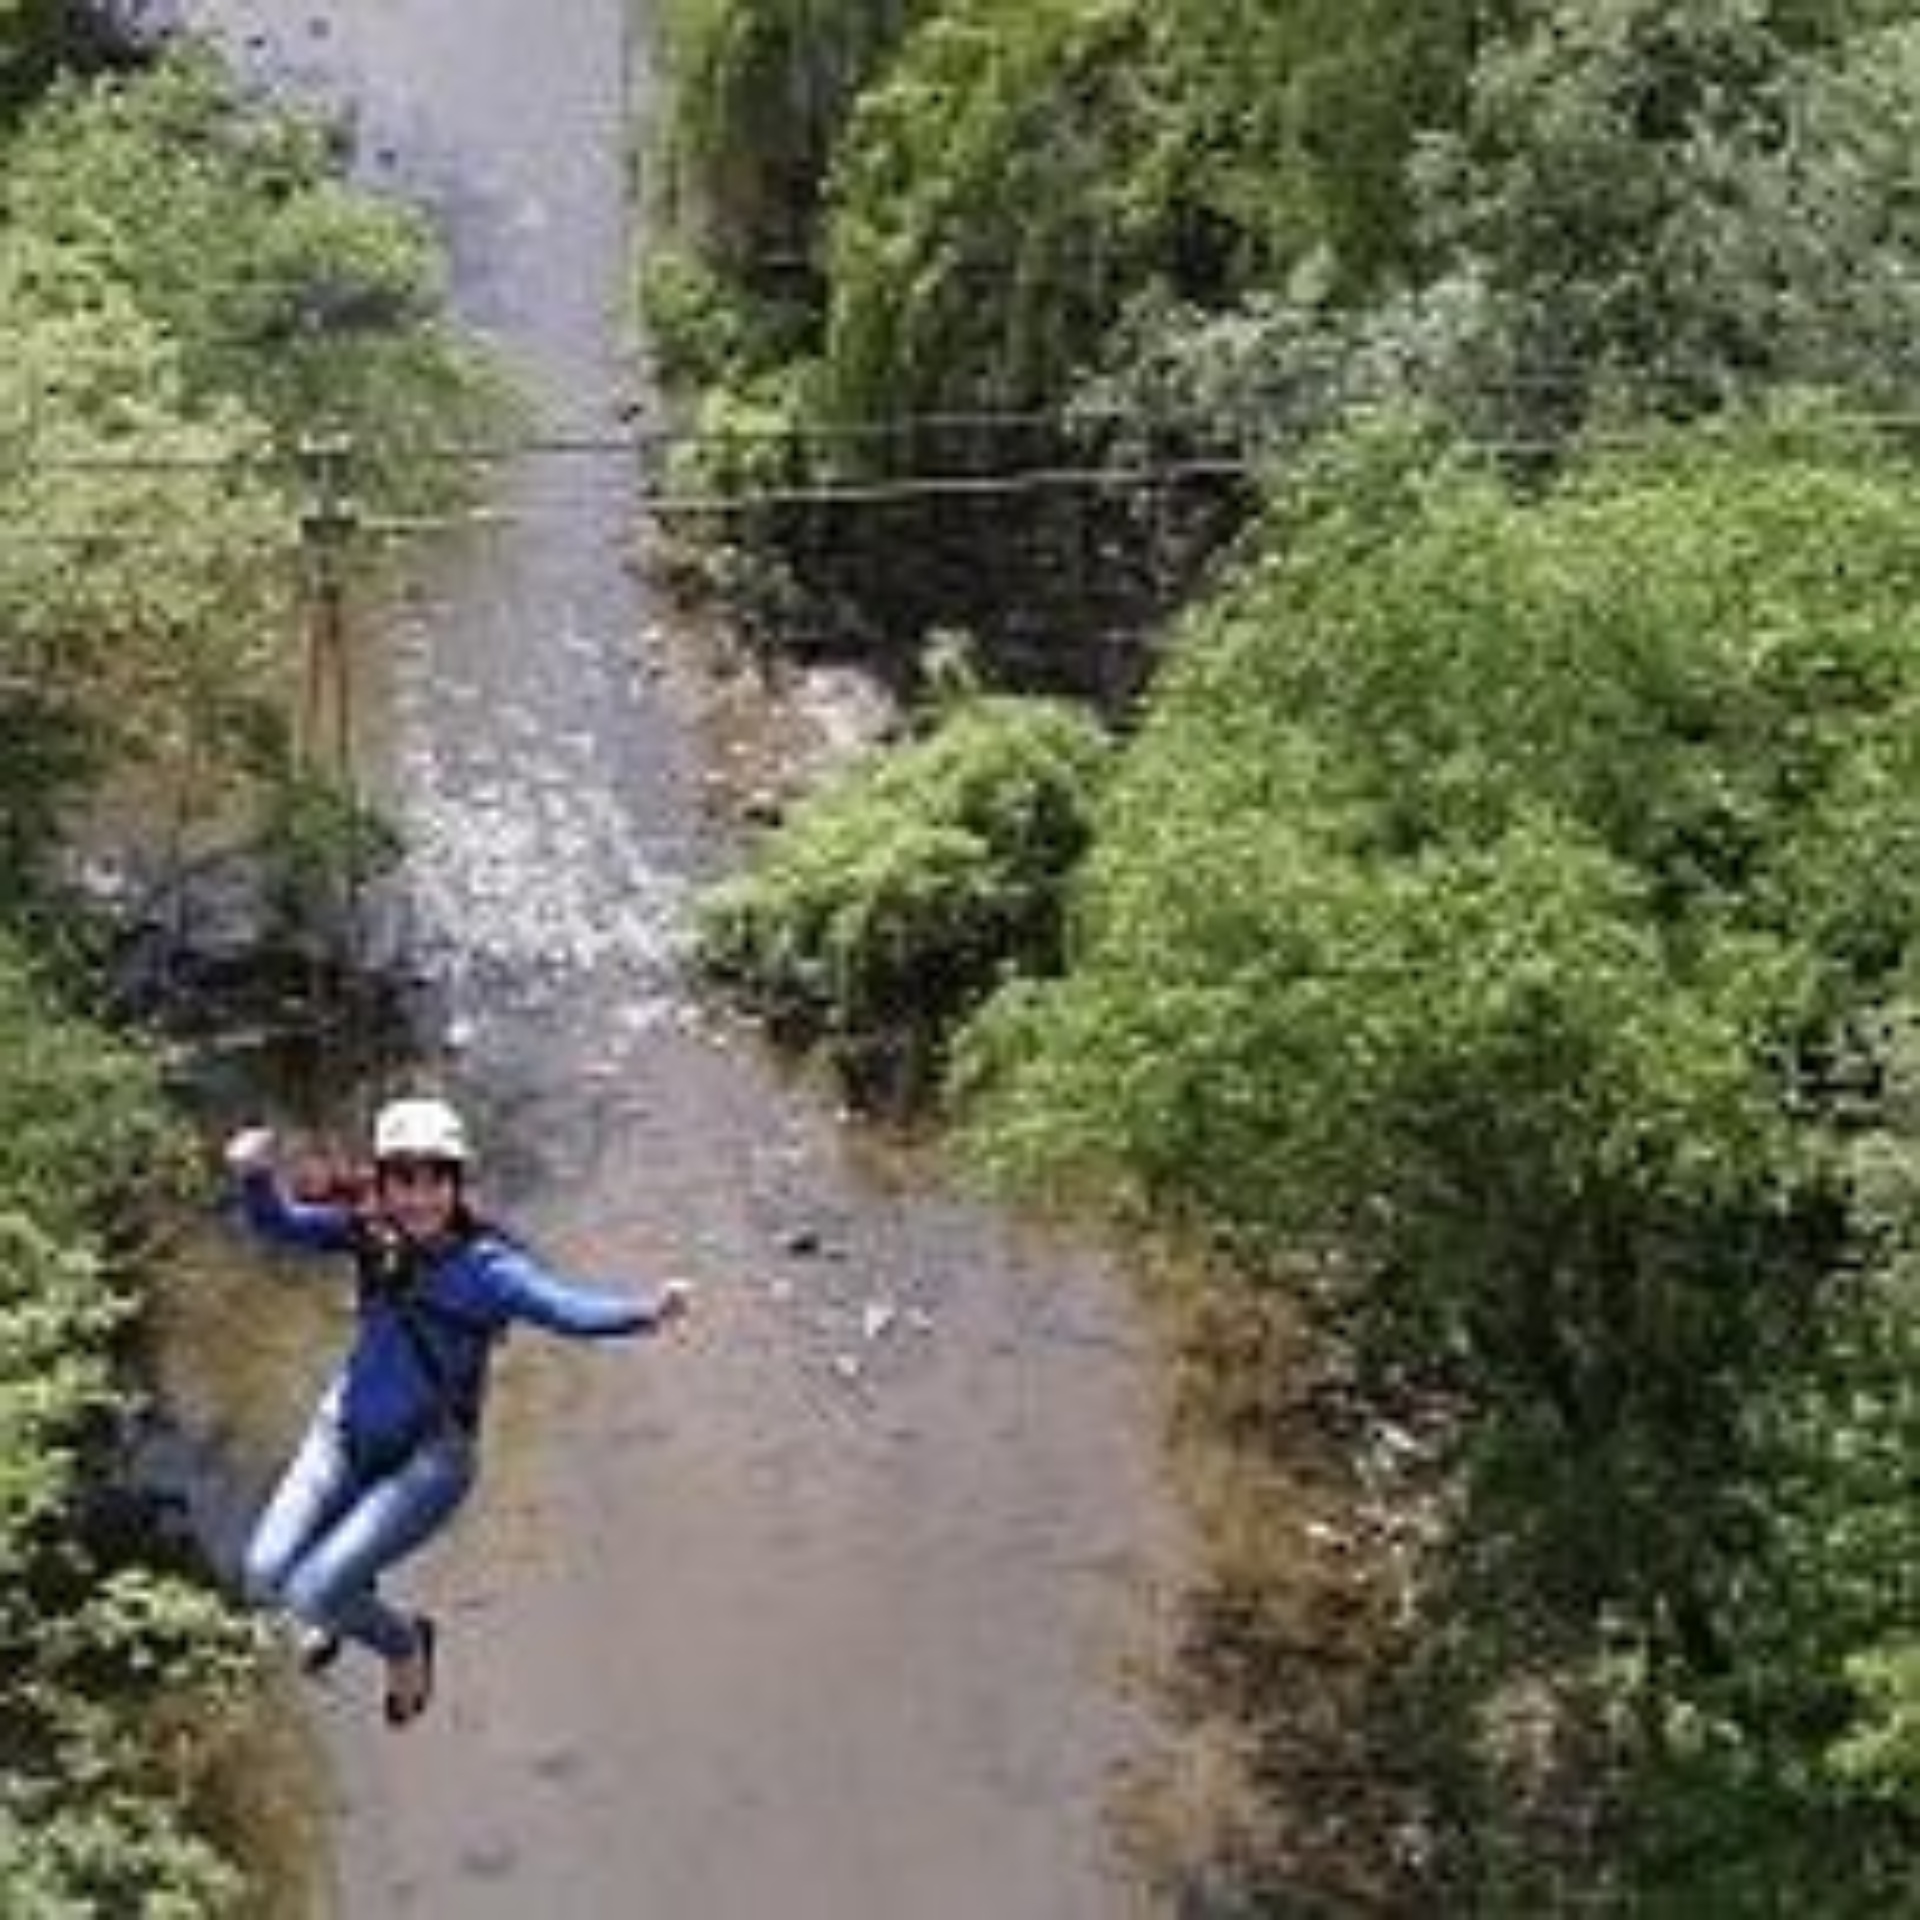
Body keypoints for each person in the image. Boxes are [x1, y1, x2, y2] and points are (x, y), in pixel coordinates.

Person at [224, 1094, 692, 1728]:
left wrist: (644, 1312)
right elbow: (281, 1224)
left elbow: (564, 1308)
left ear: (456, 1184)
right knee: (262, 1576)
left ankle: (407, 1643)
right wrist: (254, 1177)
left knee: (309, 1591)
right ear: (383, 1183)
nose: (419, 1198)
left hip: (428, 1461)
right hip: (344, 1430)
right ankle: (345, 1600)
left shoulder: (488, 1270)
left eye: (434, 1180)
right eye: (404, 1180)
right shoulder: (369, 1230)